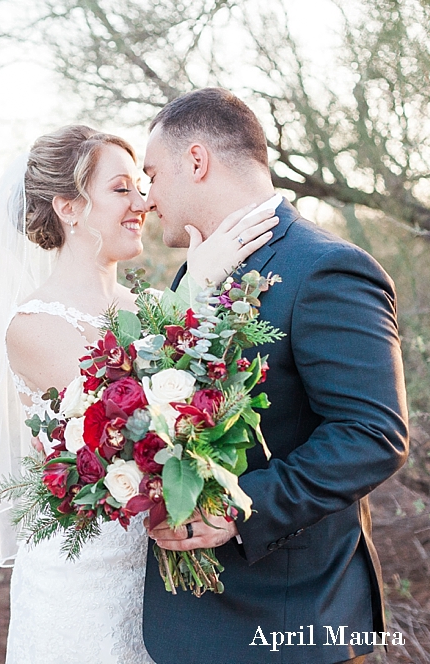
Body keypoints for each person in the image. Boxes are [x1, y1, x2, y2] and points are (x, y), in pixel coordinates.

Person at [0, 124, 278, 663]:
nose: (144, 202)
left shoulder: (154, 303)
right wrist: (196, 290)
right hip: (80, 583)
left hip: (164, 578)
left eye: (141, 186)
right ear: (69, 207)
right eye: (121, 189)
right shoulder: (33, 327)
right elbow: (124, 413)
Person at [142, 88, 410, 664]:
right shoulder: (192, 274)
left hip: (291, 625)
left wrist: (239, 506)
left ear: (196, 161)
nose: (149, 195)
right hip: (190, 626)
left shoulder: (326, 268)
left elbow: (373, 435)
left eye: (153, 174)